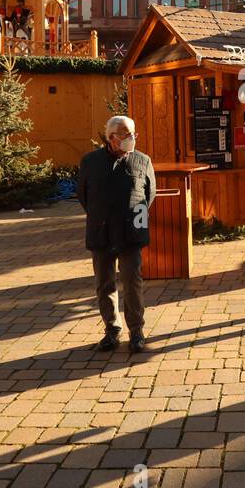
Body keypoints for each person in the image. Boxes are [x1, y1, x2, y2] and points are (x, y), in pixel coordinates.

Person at [77, 115, 156, 354]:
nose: (131, 138)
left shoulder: (143, 161)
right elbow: (84, 196)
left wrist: (134, 219)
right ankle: (112, 331)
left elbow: (149, 195)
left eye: (133, 133)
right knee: (104, 284)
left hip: (131, 233)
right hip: (101, 231)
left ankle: (137, 332)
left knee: (132, 282)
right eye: (125, 134)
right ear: (111, 138)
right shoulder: (90, 162)